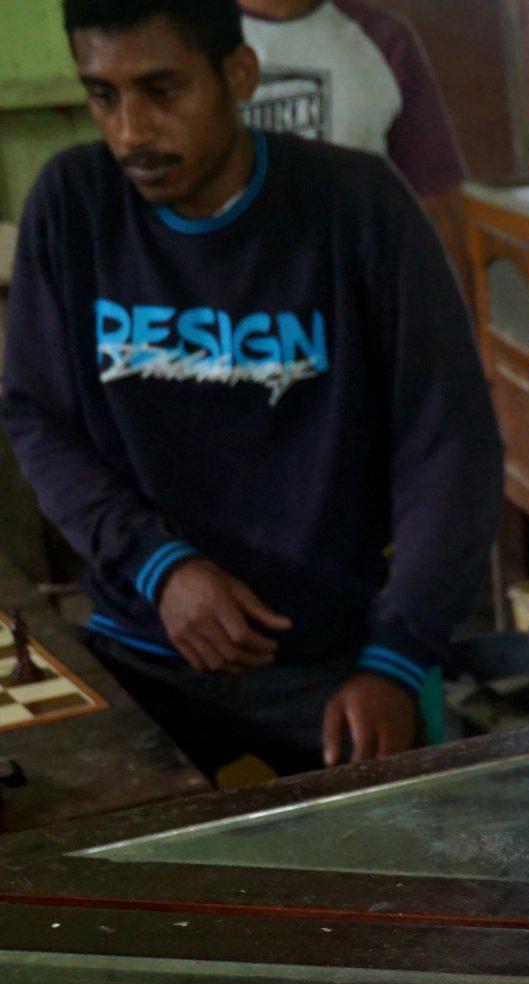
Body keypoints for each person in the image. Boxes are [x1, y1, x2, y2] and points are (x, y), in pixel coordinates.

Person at [0, 0, 501, 775]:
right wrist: (158, 565)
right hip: (143, 639)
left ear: (239, 75)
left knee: (399, 877)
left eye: (162, 91)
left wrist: (399, 656)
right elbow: (37, 418)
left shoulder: (358, 209)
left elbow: (450, 447)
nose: (130, 130)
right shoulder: (72, 206)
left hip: (338, 657)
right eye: (103, 95)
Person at [233, 0, 468, 271]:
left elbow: (433, 200)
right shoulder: (189, 37)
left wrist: (460, 310)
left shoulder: (384, 39)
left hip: (358, 292)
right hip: (225, 299)